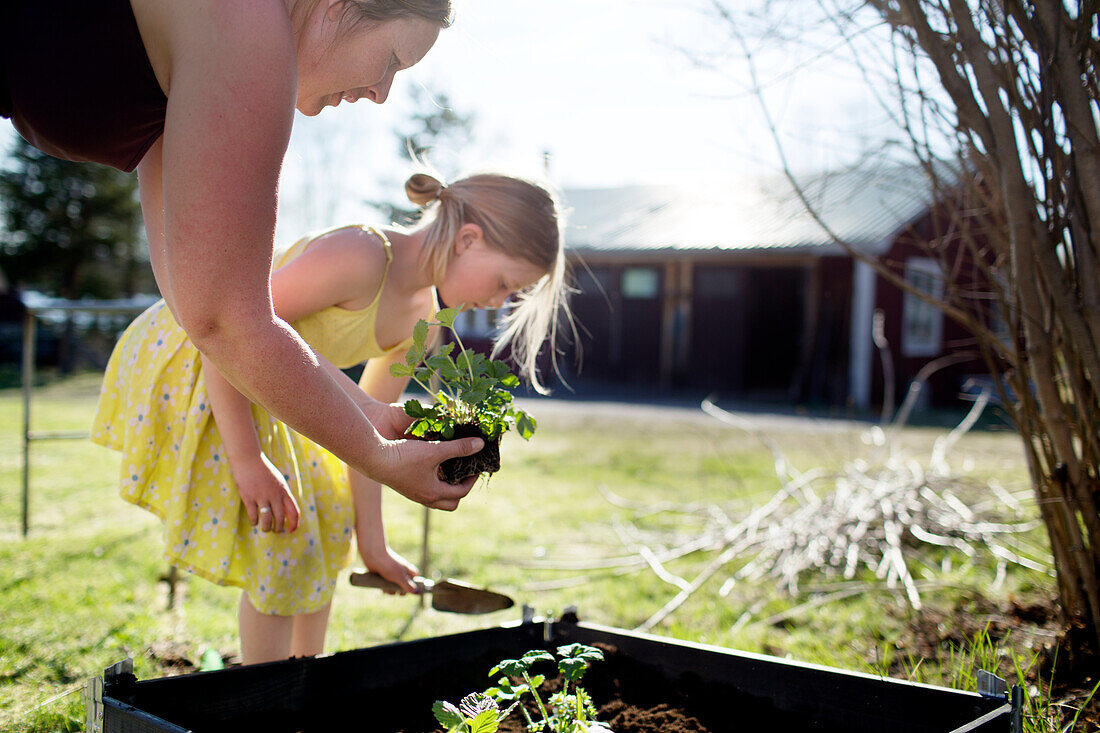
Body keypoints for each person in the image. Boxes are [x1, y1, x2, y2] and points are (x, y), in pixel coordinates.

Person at [0, 0, 482, 511]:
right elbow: (226, 319)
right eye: (391, 61)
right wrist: (376, 456)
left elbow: (194, 303)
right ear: (340, 5)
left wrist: (365, 411)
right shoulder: (248, 26)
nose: (381, 94)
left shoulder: (204, 60)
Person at [91, 171, 570, 663]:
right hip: (198, 355)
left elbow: (371, 440)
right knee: (285, 539)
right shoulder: (361, 256)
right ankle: (269, 695)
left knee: (330, 519)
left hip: (274, 391)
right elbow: (228, 330)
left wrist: (374, 545)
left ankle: (306, 684)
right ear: (469, 240)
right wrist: (248, 460)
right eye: (504, 284)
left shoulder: (424, 326)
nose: (496, 302)